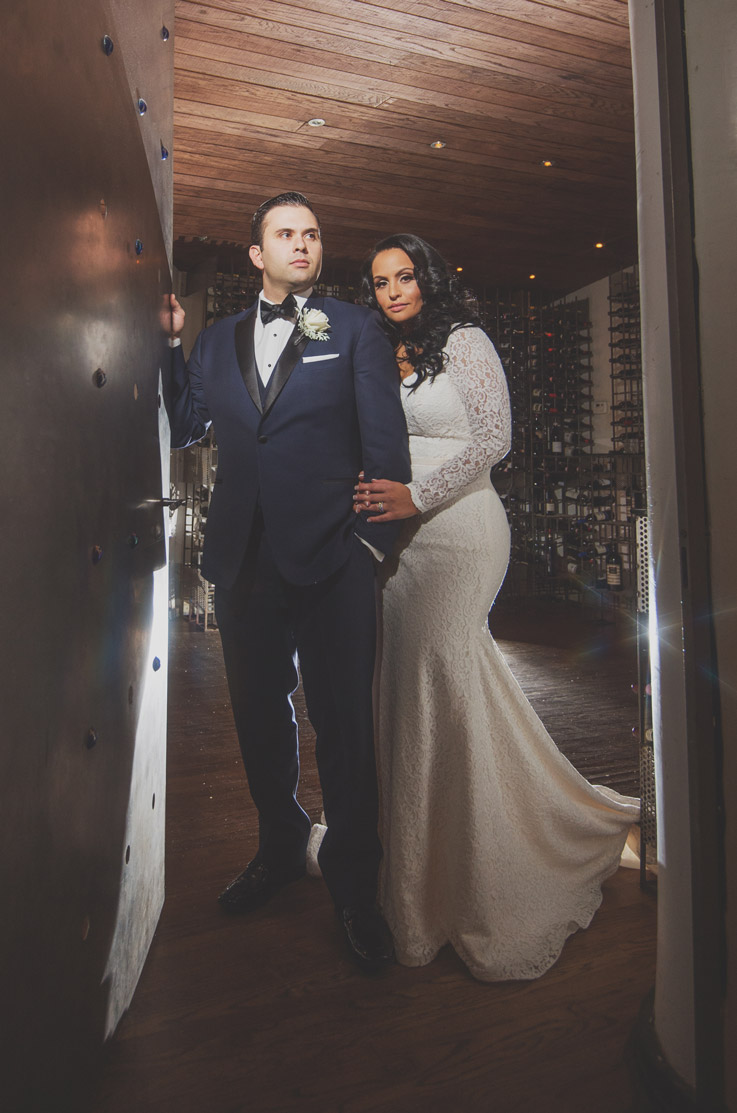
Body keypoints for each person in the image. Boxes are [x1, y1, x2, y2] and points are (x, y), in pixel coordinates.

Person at [350, 233, 640, 981]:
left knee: (441, 668)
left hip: (458, 533)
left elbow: (493, 439)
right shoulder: (377, 354)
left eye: (405, 275)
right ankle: (417, 853)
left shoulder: (465, 340)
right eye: (380, 281)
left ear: (428, 278)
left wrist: (416, 493)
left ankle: (480, 865)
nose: (392, 291)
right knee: (415, 686)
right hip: (395, 546)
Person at [165, 193, 411, 973]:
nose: (300, 244)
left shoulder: (354, 326)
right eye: (284, 234)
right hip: (243, 560)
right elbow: (185, 423)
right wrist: (172, 347)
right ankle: (277, 846)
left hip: (334, 559)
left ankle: (353, 888)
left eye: (309, 234)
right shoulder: (216, 341)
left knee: (343, 725)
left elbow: (385, 443)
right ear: (255, 254)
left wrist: (370, 550)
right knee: (259, 722)